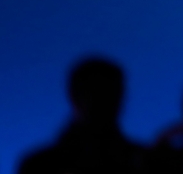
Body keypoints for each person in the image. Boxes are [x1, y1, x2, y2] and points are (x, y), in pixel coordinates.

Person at [17, 57, 146, 174]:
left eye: (114, 94)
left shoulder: (40, 164)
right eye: (99, 93)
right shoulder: (39, 165)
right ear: (75, 96)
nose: (108, 102)